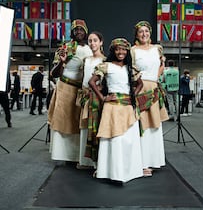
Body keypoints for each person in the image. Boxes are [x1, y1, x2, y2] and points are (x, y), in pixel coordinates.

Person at [88, 38, 144, 183]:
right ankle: (111, 172)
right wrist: (102, 98)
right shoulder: (106, 66)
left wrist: (133, 96)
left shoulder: (130, 68)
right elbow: (91, 82)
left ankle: (129, 172)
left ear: (127, 51)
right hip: (111, 107)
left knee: (127, 140)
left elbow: (140, 84)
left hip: (127, 106)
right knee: (114, 139)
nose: (121, 52)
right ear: (113, 51)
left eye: (124, 49)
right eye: (118, 49)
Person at [48, 19, 93, 163]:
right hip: (65, 88)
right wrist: (62, 61)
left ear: (85, 31)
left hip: (82, 90)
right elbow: (53, 74)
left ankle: (77, 155)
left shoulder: (92, 48)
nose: (79, 32)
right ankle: (64, 155)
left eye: (81, 29)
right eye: (76, 30)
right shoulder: (65, 47)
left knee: (77, 122)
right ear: (72, 32)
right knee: (63, 120)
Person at [130, 20, 168, 177]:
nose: (144, 34)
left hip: (153, 88)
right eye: (141, 31)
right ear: (137, 34)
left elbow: (161, 66)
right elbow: (130, 70)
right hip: (140, 89)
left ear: (150, 33)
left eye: (146, 31)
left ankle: (154, 160)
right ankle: (141, 163)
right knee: (142, 126)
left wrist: (155, 79)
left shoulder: (157, 49)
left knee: (154, 125)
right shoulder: (133, 50)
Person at [78, 31, 106, 169]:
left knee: (95, 127)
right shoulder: (86, 60)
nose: (92, 43)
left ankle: (97, 162)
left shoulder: (105, 61)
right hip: (85, 96)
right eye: (90, 41)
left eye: (95, 40)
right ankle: (85, 161)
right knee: (84, 126)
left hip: (96, 97)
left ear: (101, 42)